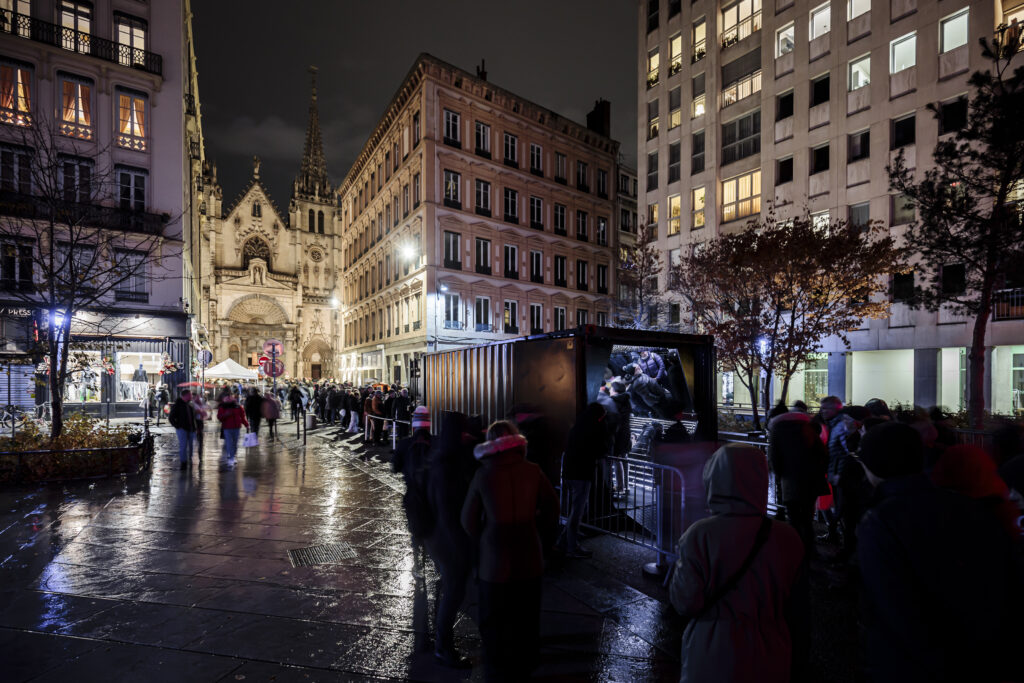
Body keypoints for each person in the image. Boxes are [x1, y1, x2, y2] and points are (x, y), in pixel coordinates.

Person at [855, 422, 1024, 683]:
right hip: (977, 650)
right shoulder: (967, 506)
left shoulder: (880, 521)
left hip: (912, 665)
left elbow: (893, 606)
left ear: (873, 466)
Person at [669, 444, 805, 683]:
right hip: (772, 651)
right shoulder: (788, 537)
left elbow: (685, 602)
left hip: (712, 650)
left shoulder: (699, 535)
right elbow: (798, 610)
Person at [461, 421, 559, 683]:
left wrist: (484, 536)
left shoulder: (484, 474)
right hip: (529, 552)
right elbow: (552, 509)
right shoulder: (533, 471)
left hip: (494, 557)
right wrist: (539, 530)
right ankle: (525, 664)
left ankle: (497, 666)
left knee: (494, 616)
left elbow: (467, 520)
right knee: (526, 614)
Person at [768, 409, 829, 554]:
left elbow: (774, 458)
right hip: (812, 480)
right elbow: (823, 453)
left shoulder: (778, 430)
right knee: (807, 517)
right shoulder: (807, 428)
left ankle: (795, 551)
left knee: (794, 518)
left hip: (791, 481)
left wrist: (780, 475)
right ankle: (810, 550)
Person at [560, 402, 608, 558]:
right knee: (577, 512)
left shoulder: (578, 425)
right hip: (582, 474)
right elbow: (601, 450)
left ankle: (563, 540)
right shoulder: (595, 428)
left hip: (568, 472)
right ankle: (571, 547)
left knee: (578, 508)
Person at [217, 394, 248, 469]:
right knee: (229, 443)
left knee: (235, 443)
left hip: (236, 427)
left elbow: (242, 416)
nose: (229, 399)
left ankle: (233, 456)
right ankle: (231, 458)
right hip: (227, 428)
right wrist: (226, 415)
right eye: (227, 398)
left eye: (230, 397)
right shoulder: (222, 407)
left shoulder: (238, 407)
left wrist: (246, 424)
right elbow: (219, 417)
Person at [168, 389, 197, 470]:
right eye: (190, 395)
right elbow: (171, 418)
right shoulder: (178, 405)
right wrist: (177, 426)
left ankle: (189, 459)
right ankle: (183, 462)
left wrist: (194, 428)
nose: (191, 396)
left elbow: (192, 418)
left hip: (190, 429)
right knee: (183, 445)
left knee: (191, 446)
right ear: (186, 395)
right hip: (182, 429)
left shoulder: (189, 405)